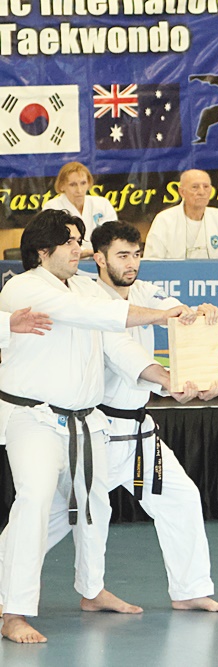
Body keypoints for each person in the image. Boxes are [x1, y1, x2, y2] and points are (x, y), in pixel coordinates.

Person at [0, 209, 200, 643]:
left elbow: (116, 344)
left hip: (86, 419)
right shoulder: (25, 287)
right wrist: (163, 316)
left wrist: (167, 381)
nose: (80, 248)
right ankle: (13, 611)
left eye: (80, 240)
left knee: (95, 506)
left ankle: (91, 591)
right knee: (34, 501)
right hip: (32, 418)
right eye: (71, 241)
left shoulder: (85, 288)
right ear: (43, 250)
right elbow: (102, 318)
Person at [37, 221, 218, 615]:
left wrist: (204, 323)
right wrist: (167, 381)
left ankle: (190, 589)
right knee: (52, 518)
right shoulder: (86, 298)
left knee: (181, 498)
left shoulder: (146, 294)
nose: (132, 262)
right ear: (99, 258)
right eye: (122, 255)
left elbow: (181, 317)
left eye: (137, 254)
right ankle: (78, 591)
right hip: (97, 431)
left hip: (139, 433)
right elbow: (120, 350)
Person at [144, 169, 218, 260]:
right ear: (182, 192)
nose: (202, 192)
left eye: (206, 187)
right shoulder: (164, 220)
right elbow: (153, 260)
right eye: (195, 187)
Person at [41, 161, 118, 257]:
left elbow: (113, 235)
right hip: (65, 260)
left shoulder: (102, 204)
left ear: (89, 183)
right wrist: (86, 252)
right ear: (62, 186)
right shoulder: (52, 207)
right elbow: (53, 241)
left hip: (101, 258)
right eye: (73, 184)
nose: (79, 190)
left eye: (83, 183)